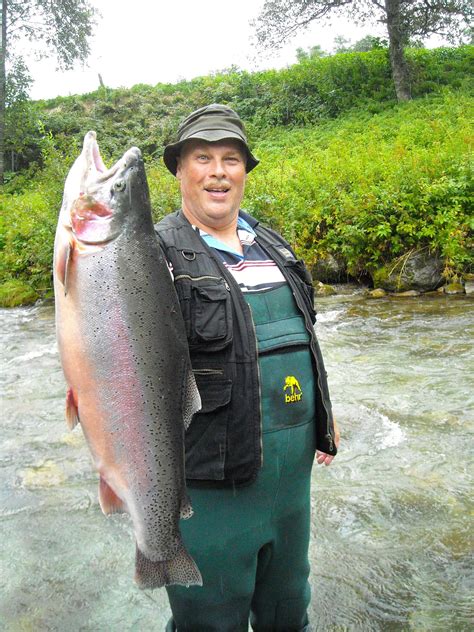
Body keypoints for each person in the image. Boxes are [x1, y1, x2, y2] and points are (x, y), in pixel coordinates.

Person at [155, 104, 339, 632]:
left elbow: (301, 338)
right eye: (203, 158)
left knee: (288, 612)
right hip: (208, 488)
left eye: (231, 159)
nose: (218, 171)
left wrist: (323, 413)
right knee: (208, 622)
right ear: (179, 170)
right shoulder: (151, 255)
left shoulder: (273, 244)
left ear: (245, 170)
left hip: (289, 485)